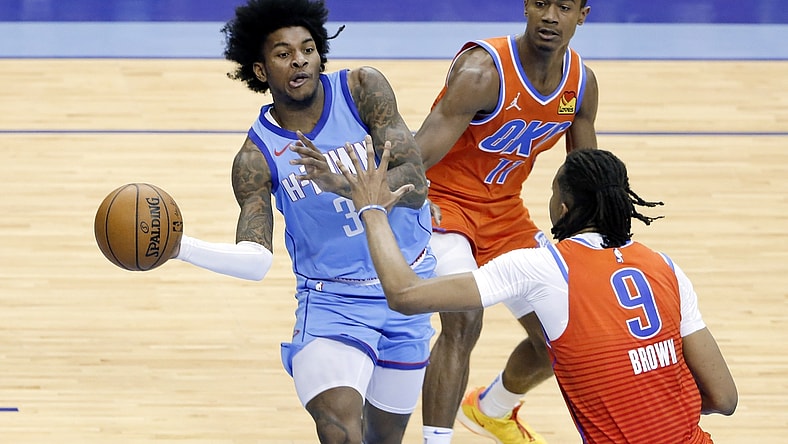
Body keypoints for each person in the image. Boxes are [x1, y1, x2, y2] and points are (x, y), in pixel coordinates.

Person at [338, 144, 738, 444]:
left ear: (562, 208)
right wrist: (655, 405)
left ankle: (489, 409)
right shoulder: (666, 267)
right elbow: (723, 398)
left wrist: (372, 210)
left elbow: (405, 294)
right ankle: (491, 408)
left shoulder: (542, 267)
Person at [169, 1, 436, 442]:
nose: (299, 60)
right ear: (260, 71)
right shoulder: (255, 158)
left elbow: (416, 184)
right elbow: (255, 260)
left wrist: (342, 183)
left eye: (308, 49)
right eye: (283, 53)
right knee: (339, 429)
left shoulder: (362, 89)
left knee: (383, 439)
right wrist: (180, 248)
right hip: (333, 302)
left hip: (408, 288)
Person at [414, 0, 598, 442]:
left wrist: (601, 235)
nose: (550, 16)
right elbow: (416, 154)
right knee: (464, 319)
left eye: (563, 7)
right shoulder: (482, 71)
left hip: (505, 214)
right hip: (445, 204)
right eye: (540, 4)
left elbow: (588, 172)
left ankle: (492, 409)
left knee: (566, 336)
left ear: (582, 15)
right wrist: (408, 201)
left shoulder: (581, 83)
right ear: (525, 8)